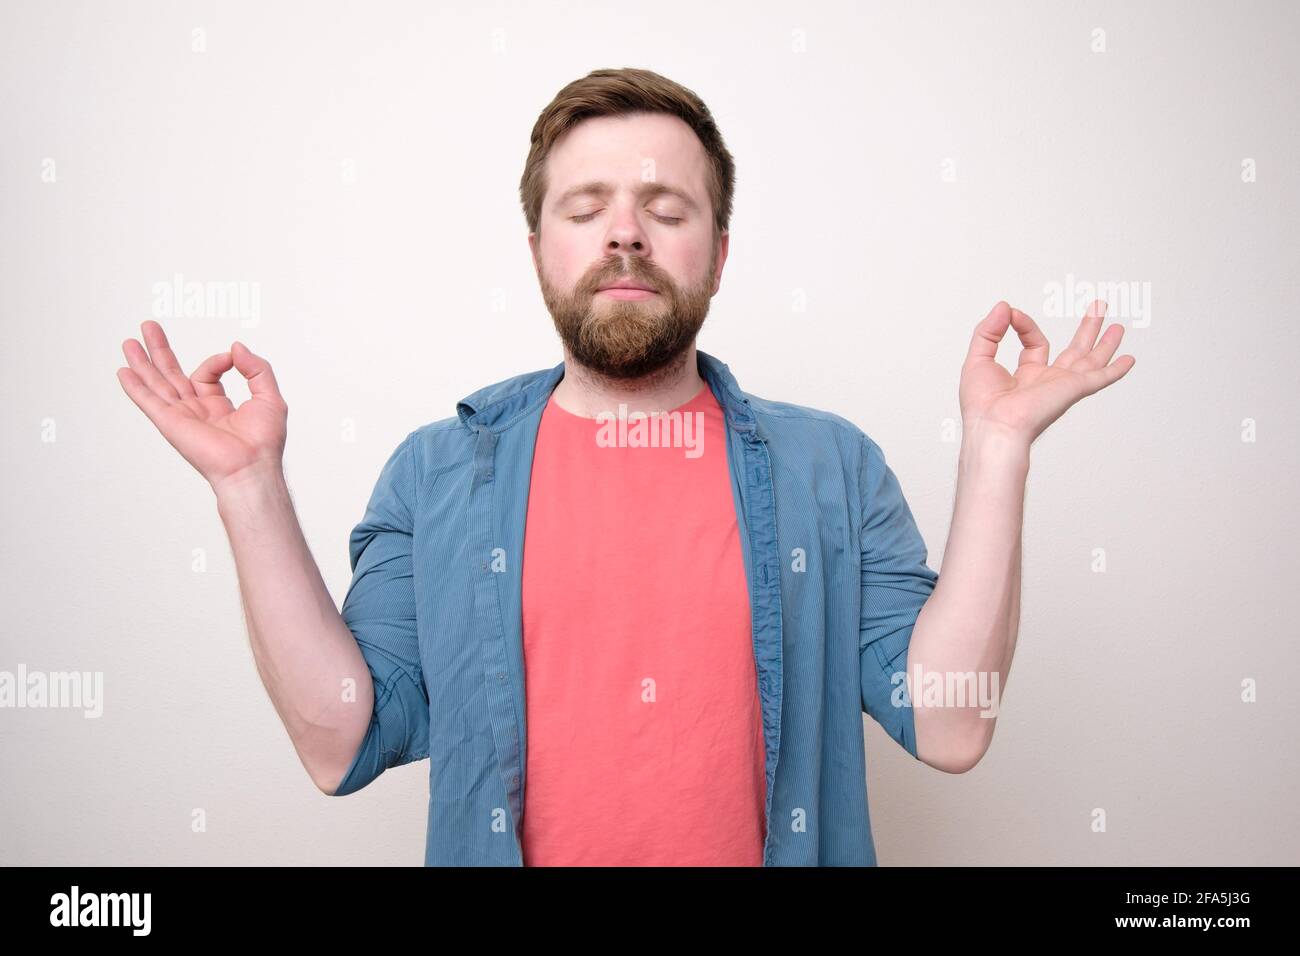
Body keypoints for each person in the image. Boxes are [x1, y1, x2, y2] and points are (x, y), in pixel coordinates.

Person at [116, 67, 1134, 866]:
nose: (624, 233)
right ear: (536, 249)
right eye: (586, 205)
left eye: (666, 207)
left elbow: (951, 726)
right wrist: (247, 490)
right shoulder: (434, 473)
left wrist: (997, 452)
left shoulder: (832, 466)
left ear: (719, 252)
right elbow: (342, 738)